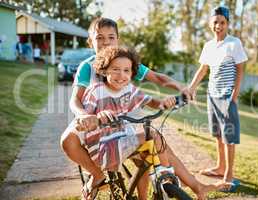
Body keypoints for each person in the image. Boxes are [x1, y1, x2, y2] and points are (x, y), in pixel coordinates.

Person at [69, 17, 221, 199]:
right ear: (90, 41)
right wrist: (85, 116)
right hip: (91, 117)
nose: (106, 42)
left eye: (111, 37)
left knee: (155, 147)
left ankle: (191, 186)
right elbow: (75, 100)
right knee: (67, 140)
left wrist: (181, 88)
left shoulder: (124, 62)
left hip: (118, 119)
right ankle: (96, 175)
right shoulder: (87, 67)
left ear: (117, 39)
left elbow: (156, 79)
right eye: (99, 38)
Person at [61, 46, 177, 200]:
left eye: (126, 70)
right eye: (115, 69)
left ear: (132, 73)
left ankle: (162, 177)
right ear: (104, 70)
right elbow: (86, 119)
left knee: (151, 145)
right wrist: (96, 117)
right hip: (105, 148)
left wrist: (163, 103)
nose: (121, 75)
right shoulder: (96, 91)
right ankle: (165, 175)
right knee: (152, 134)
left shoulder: (128, 89)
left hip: (121, 138)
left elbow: (150, 101)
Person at [189, 6, 248, 192]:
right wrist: (191, 87)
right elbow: (203, 69)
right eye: (215, 22)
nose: (218, 26)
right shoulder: (208, 46)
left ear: (227, 24)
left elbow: (240, 69)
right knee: (217, 134)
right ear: (210, 24)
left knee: (229, 135)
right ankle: (220, 166)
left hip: (226, 95)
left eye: (222, 22)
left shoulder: (234, 43)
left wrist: (235, 94)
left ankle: (228, 175)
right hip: (211, 94)